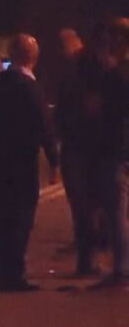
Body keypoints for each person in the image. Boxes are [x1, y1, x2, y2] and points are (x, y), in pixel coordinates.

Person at [0, 34, 59, 292]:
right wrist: (53, 159)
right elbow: (44, 124)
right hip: (23, 158)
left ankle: (3, 273)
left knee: (2, 216)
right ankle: (15, 272)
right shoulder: (31, 88)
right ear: (34, 57)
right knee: (22, 216)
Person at [53, 25, 110, 277]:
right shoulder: (90, 66)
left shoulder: (81, 68)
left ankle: (90, 256)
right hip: (86, 144)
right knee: (92, 204)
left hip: (81, 144)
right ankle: (93, 255)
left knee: (85, 205)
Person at [90, 17, 129, 290]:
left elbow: (97, 110)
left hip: (116, 148)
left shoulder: (115, 76)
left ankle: (122, 269)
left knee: (116, 212)